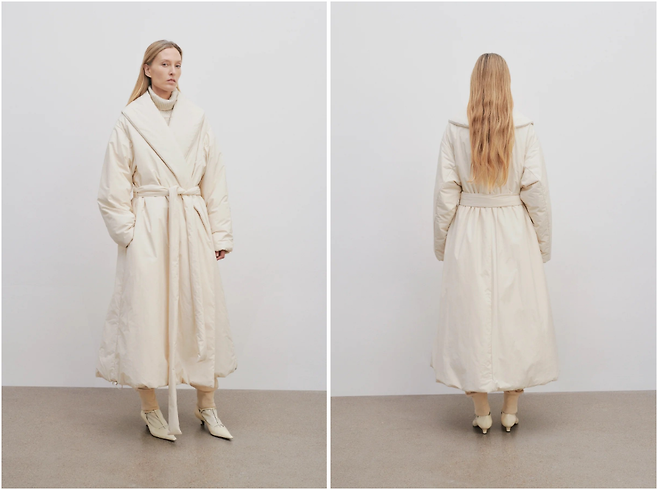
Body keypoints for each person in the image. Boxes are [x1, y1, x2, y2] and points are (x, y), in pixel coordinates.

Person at [96, 40, 237, 441]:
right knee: (146, 314)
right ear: (148, 69)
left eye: (178, 64)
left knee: (200, 311)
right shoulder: (130, 119)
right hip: (151, 228)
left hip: (191, 223)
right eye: (164, 64)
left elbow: (215, 178)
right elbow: (114, 184)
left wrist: (219, 233)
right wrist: (130, 235)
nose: (172, 71)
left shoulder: (197, 117)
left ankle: (207, 405)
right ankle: (149, 408)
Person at [430, 53, 559, 434]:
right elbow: (536, 192)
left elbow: (445, 193)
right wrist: (543, 244)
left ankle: (482, 412)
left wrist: (442, 244)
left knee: (470, 319)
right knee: (516, 318)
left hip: (469, 230)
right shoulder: (525, 130)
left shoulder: (455, 129)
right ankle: (511, 411)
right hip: (513, 230)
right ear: (507, 83)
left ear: (474, 83)